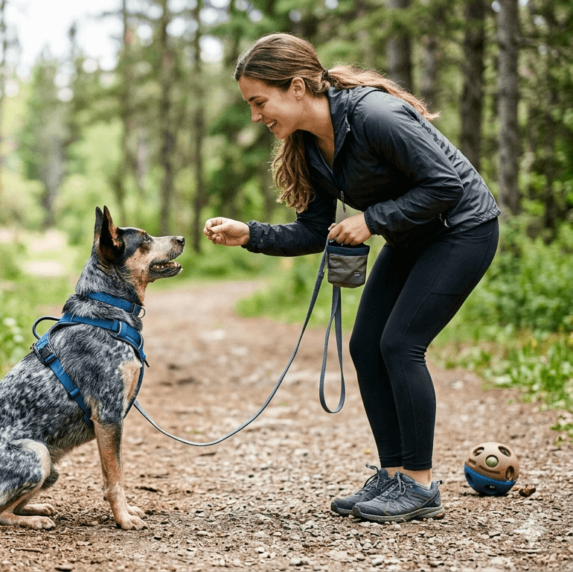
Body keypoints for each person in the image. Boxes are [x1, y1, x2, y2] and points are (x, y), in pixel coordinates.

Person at [204, 33, 500, 523]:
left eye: (260, 102)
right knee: (366, 345)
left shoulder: (374, 116)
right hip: (412, 234)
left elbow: (446, 185)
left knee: (400, 344)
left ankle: (421, 486)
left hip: (462, 230)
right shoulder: (312, 146)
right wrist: (248, 234)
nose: (256, 116)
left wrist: (371, 220)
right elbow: (313, 231)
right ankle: (394, 476)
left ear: (297, 87)